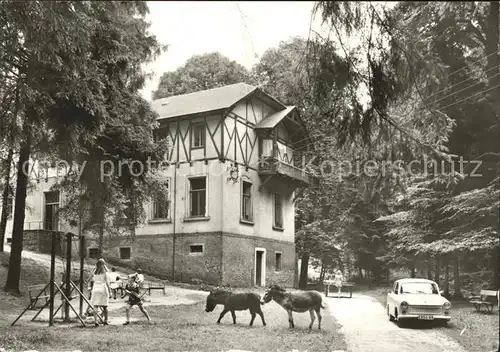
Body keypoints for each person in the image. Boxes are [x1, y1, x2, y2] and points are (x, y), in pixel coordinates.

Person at [89, 258, 112, 326]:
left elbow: (89, 279)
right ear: (103, 264)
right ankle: (106, 320)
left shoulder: (94, 271)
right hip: (103, 288)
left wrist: (89, 286)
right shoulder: (105, 272)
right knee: (105, 306)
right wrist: (110, 291)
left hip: (95, 288)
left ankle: (96, 321)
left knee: (95, 305)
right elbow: (107, 282)